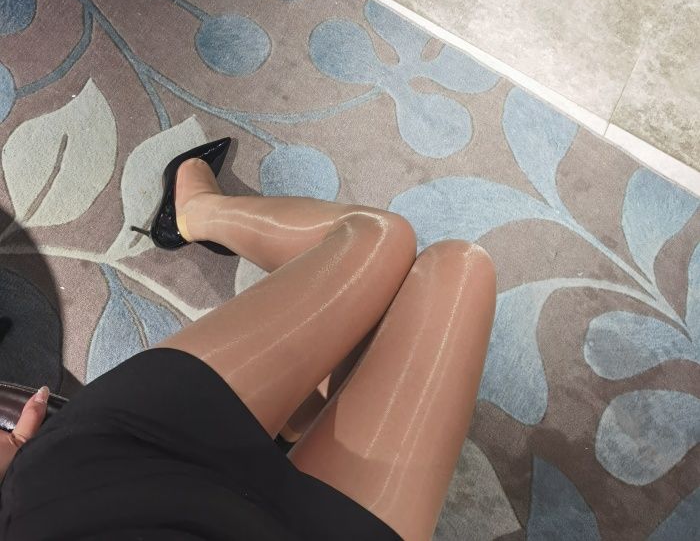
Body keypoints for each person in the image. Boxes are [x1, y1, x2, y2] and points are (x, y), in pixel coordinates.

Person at [0, 140, 496, 541]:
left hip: (97, 492)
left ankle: (297, 414)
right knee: (431, 260)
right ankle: (194, 210)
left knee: (427, 260)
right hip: (112, 489)